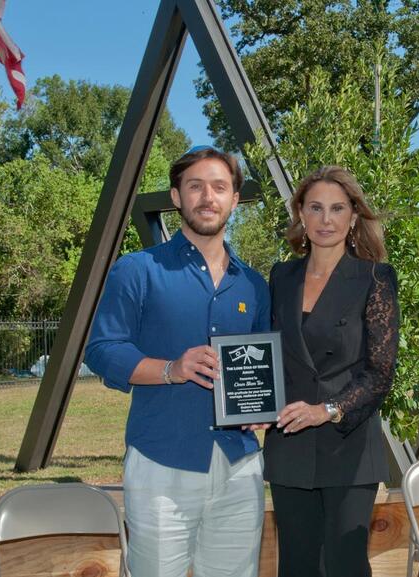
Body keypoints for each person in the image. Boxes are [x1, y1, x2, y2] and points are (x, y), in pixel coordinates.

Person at [85, 147, 270, 577]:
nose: (208, 196)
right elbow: (103, 349)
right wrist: (172, 369)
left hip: (240, 466)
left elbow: (264, 367)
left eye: (220, 187)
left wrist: (264, 408)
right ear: (176, 196)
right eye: (196, 186)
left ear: (235, 200)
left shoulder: (254, 285)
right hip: (160, 463)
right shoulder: (137, 270)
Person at [264, 165, 400, 577]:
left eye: (337, 208)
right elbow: (267, 356)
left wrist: (327, 410)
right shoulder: (280, 276)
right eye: (316, 208)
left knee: (344, 566)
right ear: (300, 215)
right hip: (288, 444)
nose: (326, 219)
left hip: (348, 446)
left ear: (353, 217)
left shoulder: (375, 277)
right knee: (297, 565)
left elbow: (381, 372)